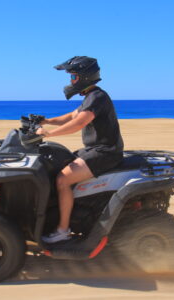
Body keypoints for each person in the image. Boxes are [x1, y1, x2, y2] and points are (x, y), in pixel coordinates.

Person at [36, 56, 124, 243]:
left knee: (62, 180)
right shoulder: (90, 97)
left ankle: (62, 230)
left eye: (74, 77)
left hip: (105, 152)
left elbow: (79, 123)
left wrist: (49, 134)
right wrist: (45, 121)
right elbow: (71, 116)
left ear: (85, 77)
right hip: (95, 149)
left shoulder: (98, 97)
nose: (71, 81)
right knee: (57, 165)